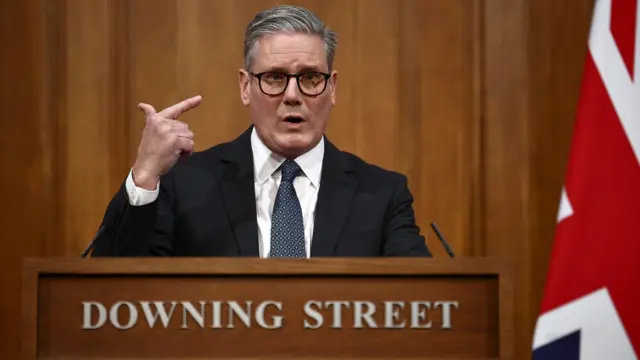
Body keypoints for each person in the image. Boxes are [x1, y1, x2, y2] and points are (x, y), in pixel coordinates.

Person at [90, 5, 432, 258]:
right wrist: (146, 175)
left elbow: (423, 302)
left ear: (333, 88)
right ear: (244, 87)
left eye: (311, 78)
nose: (293, 96)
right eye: (275, 78)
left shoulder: (383, 195)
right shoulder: (185, 186)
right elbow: (114, 293)